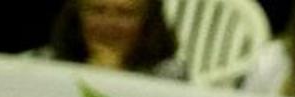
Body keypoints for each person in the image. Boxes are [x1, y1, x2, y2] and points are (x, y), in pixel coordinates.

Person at [34, 0, 186, 78]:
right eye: (97, 11)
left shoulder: (169, 75)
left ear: (147, 22)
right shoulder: (41, 64)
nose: (109, 24)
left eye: (125, 13)